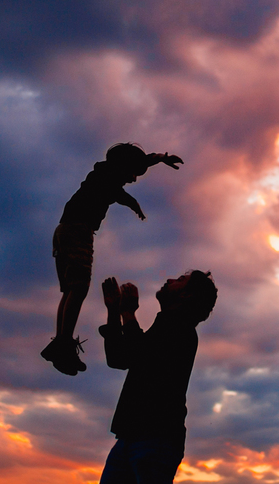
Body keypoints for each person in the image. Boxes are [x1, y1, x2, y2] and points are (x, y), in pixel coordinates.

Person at [89, 270, 217, 484]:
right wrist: (115, 312)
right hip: (132, 437)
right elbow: (119, 358)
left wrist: (127, 312)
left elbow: (135, 354)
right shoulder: (165, 326)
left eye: (179, 279)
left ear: (187, 296)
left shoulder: (180, 330)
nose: (170, 280)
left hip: (156, 439)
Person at [41, 143, 183, 375]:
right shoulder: (106, 175)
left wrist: (158, 158)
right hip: (78, 231)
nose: (134, 179)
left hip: (65, 230)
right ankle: (63, 345)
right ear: (123, 166)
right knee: (78, 289)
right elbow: (117, 191)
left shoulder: (104, 172)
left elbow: (133, 167)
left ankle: (61, 342)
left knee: (71, 290)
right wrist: (133, 203)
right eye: (133, 173)